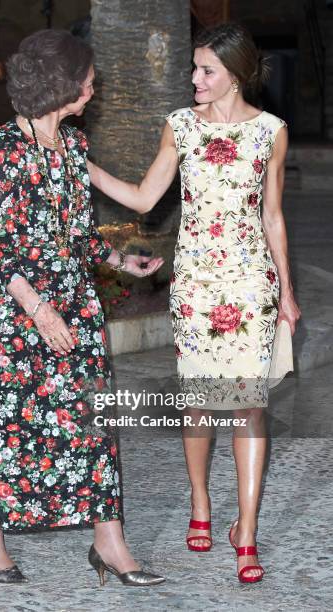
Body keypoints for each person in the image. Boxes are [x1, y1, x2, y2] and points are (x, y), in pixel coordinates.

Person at [87, 23, 301, 584]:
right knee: (203, 401)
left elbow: (273, 216)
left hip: (251, 284)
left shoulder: (271, 132)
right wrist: (77, 162)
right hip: (198, 287)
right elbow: (142, 197)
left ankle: (246, 532)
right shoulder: (179, 127)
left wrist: (288, 293)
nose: (194, 79)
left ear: (235, 74)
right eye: (194, 68)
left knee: (249, 404)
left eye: (206, 69)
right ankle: (202, 503)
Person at [0, 29, 166, 587]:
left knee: (92, 426)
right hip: (16, 317)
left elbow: (74, 230)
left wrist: (122, 261)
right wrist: (40, 313)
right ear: (64, 86)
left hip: (75, 308)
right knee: (3, 426)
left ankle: (110, 543)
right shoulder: (3, 149)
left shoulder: (71, 146)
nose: (93, 90)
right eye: (89, 81)